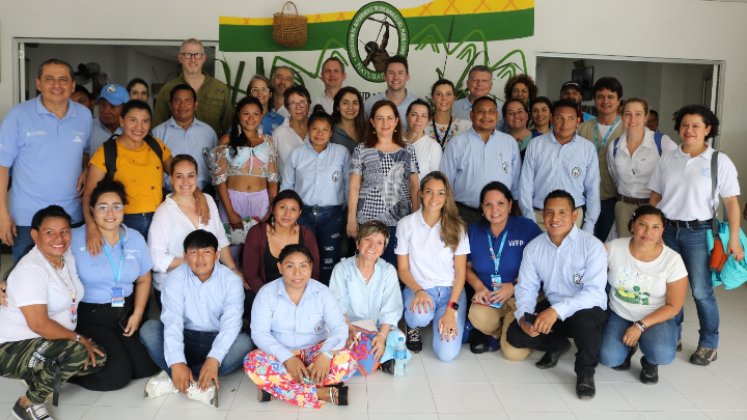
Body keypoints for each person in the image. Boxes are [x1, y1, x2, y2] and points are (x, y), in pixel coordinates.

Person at [648, 104, 743, 366]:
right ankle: (673, 335)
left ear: (707, 129)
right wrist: (650, 228)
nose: (689, 130)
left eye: (696, 126)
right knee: (668, 289)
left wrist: (734, 239)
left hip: (700, 234)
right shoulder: (667, 158)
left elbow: (732, 203)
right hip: (667, 232)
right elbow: (655, 196)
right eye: (685, 125)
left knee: (701, 291)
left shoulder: (718, 161)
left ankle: (708, 343)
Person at [0, 206, 106, 420]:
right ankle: (27, 404)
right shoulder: (31, 270)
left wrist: (80, 341)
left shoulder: (66, 256)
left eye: (65, 231)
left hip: (43, 341)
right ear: (34, 235)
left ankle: (39, 374)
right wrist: (78, 339)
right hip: (9, 348)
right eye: (50, 232)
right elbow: (39, 325)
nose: (59, 238)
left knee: (97, 357)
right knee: (76, 352)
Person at [507, 190, 608, 399]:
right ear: (543, 214)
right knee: (515, 334)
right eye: (550, 212)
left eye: (562, 212)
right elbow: (526, 289)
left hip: (585, 309)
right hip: (554, 305)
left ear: (574, 216)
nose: (555, 218)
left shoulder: (592, 246)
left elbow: (594, 293)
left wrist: (555, 311)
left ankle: (585, 373)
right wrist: (524, 316)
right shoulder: (534, 248)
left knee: (586, 322)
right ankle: (558, 344)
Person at [139, 230, 252, 408]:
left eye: (206, 252)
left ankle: (174, 378)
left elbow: (231, 324)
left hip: (216, 338)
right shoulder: (174, 279)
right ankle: (189, 378)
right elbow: (173, 322)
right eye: (193, 252)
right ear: (185, 255)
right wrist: (177, 362)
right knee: (149, 329)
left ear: (216, 255)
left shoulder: (231, 280)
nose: (200, 258)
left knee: (244, 342)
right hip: (185, 338)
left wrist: (214, 359)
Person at [69, 180, 159, 391]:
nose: (110, 212)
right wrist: (9, 281)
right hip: (90, 315)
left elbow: (144, 279)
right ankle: (61, 372)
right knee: (116, 377)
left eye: (116, 206)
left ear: (124, 208)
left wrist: (137, 314)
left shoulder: (135, 238)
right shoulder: (74, 238)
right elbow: (42, 258)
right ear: (91, 210)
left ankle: (116, 354)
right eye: (102, 207)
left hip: (124, 315)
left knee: (147, 367)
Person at [0, 58, 92, 264]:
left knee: (69, 282)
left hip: (72, 217)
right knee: (27, 286)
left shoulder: (84, 116)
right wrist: (2, 214)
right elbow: (2, 167)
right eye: (50, 79)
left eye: (63, 79)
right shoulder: (18, 116)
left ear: (73, 85)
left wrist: (86, 169)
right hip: (28, 220)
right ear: (39, 84)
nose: (57, 85)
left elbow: (84, 151)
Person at [245, 244, 356, 407]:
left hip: (316, 353)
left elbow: (339, 328)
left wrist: (325, 355)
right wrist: (288, 359)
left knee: (349, 360)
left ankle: (277, 388)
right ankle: (320, 392)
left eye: (303, 265)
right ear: (280, 267)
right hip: (280, 355)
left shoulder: (323, 292)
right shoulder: (266, 294)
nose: (297, 273)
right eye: (290, 266)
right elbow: (259, 334)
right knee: (252, 361)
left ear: (310, 266)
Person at [84, 100, 210, 244]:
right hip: (123, 221)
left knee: (158, 263)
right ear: (121, 121)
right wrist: (91, 227)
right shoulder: (107, 152)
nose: (139, 127)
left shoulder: (156, 145)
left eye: (145, 121)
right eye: (133, 120)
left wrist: (200, 197)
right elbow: (89, 194)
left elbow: (182, 176)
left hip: (159, 218)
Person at [600, 205, 688, 384]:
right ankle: (628, 349)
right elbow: (592, 274)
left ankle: (649, 361)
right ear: (632, 225)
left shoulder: (672, 260)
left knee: (662, 355)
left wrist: (640, 326)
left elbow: (674, 305)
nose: (648, 231)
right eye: (642, 224)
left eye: (656, 227)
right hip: (620, 313)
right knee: (609, 358)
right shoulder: (614, 248)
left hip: (655, 316)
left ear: (662, 230)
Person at [396, 172, 469, 360]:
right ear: (421, 193)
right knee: (420, 315)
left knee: (446, 355)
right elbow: (403, 269)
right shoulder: (406, 224)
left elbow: (461, 273)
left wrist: (451, 309)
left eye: (440, 193)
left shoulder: (458, 228)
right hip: (419, 287)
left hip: (450, 293)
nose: (434, 198)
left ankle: (454, 321)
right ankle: (413, 326)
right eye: (429, 192)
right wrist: (418, 290)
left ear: (447, 197)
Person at [148, 155, 240, 303]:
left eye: (191, 176)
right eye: (179, 176)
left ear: (197, 177)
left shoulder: (208, 201)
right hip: (175, 288)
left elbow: (220, 241)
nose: (185, 182)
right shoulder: (164, 212)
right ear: (171, 178)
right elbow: (156, 259)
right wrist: (197, 263)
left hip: (210, 284)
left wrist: (233, 270)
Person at [466, 182, 542, 359]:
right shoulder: (473, 231)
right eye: (488, 204)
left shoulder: (527, 227)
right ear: (482, 208)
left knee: (514, 354)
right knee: (477, 315)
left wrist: (514, 285)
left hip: (522, 297)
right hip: (492, 296)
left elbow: (544, 266)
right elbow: (466, 266)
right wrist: (478, 287)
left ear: (509, 205)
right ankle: (496, 333)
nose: (495, 210)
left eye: (500, 203)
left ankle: (511, 330)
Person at [281, 107, 350, 284]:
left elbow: (348, 185)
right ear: (308, 130)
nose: (320, 133)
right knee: (304, 259)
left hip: (332, 215)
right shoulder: (297, 155)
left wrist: (341, 208)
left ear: (331, 132)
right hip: (302, 215)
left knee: (329, 260)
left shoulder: (341, 153)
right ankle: (305, 296)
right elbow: (287, 186)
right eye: (315, 128)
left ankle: (325, 296)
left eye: (325, 129)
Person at [348, 100, 420, 268]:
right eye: (380, 118)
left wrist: (417, 218)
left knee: (396, 268)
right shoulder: (362, 149)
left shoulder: (408, 149)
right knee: (367, 268)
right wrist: (351, 219)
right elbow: (354, 186)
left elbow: (414, 186)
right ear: (372, 122)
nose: (385, 123)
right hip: (368, 221)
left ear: (396, 121)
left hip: (400, 221)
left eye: (389, 118)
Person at [209, 96, 279, 263]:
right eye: (246, 113)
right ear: (238, 115)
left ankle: (255, 288)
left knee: (260, 249)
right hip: (232, 200)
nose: (251, 118)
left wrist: (272, 209)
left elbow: (273, 178)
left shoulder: (268, 142)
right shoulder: (227, 140)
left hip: (261, 201)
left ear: (262, 116)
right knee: (230, 249)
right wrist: (230, 211)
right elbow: (219, 179)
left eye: (255, 114)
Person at [328, 220, 404, 374]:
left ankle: (378, 352)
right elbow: (336, 306)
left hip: (376, 327)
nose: (372, 246)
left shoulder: (388, 270)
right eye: (367, 240)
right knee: (331, 343)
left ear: (383, 249)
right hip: (348, 326)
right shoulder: (341, 269)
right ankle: (381, 359)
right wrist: (348, 330)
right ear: (358, 243)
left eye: (379, 242)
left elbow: (391, 308)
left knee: (397, 338)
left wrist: (382, 336)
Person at [520, 99, 600, 233]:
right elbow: (525, 185)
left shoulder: (588, 149)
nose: (565, 124)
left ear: (578, 120)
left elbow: (593, 191)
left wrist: (589, 225)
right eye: (559, 118)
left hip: (573, 218)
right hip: (540, 217)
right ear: (551, 119)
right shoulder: (536, 145)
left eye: (570, 118)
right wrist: (529, 219)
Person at [441, 96, 521, 225]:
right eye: (481, 111)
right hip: (464, 213)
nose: (486, 115)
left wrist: (517, 210)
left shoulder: (509, 142)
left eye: (491, 112)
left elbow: (516, 181)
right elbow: (446, 180)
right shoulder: (457, 142)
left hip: (500, 213)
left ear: (497, 115)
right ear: (471, 115)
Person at [243, 191, 321, 316]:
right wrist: (273, 300)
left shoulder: (307, 235)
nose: (287, 214)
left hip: (299, 295)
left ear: (299, 213)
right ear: (273, 209)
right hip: (265, 295)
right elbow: (250, 275)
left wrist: (298, 298)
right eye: (282, 207)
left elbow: (314, 271)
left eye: (293, 209)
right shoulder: (257, 233)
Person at [607, 98, 677, 238]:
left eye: (638, 114)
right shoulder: (614, 146)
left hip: (655, 206)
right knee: (625, 250)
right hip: (624, 206)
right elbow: (615, 178)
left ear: (646, 117)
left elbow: (675, 177)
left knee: (650, 250)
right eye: (628, 114)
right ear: (621, 117)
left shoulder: (662, 142)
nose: (632, 119)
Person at [152, 38, 233, 137]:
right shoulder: (166, 90)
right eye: (188, 55)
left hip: (212, 149)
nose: (193, 59)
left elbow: (229, 130)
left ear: (203, 58)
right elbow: (157, 130)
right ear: (180, 58)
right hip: (175, 151)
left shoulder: (220, 88)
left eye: (197, 55)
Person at [577, 77, 625, 241]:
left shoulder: (627, 130)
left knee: (608, 246)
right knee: (583, 242)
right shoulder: (582, 129)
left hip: (612, 199)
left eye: (610, 97)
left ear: (619, 101)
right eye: (600, 96)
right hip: (584, 198)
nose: (605, 101)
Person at [151, 83, 218, 194]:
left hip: (204, 193)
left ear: (195, 105)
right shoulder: (158, 133)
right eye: (177, 100)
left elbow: (216, 166)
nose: (182, 105)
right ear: (170, 105)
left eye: (187, 100)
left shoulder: (208, 132)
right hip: (169, 195)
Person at [363, 55, 421, 130]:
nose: (396, 77)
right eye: (391, 73)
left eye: (400, 73)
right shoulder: (370, 103)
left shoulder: (419, 104)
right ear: (384, 76)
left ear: (407, 76)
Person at [424, 79, 472, 150]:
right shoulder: (422, 126)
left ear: (453, 98)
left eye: (448, 94)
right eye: (439, 94)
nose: (444, 98)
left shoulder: (466, 126)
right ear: (433, 98)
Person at [273, 85, 311, 175]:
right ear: (287, 108)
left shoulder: (318, 129)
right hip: (288, 187)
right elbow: (274, 167)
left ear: (308, 106)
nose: (298, 107)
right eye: (293, 103)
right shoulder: (279, 133)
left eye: (302, 102)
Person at [403, 99, 442, 181]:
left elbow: (435, 181)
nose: (418, 119)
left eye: (423, 116)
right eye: (414, 114)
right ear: (407, 117)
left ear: (428, 121)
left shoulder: (434, 147)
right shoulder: (394, 140)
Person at [90, 84, 127, 163]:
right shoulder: (88, 127)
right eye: (103, 105)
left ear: (124, 109)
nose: (106, 111)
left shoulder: (131, 130)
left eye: (113, 107)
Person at [330, 86, 367, 155]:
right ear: (337, 106)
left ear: (360, 106)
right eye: (345, 103)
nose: (350, 107)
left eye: (355, 103)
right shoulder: (331, 132)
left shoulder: (368, 129)